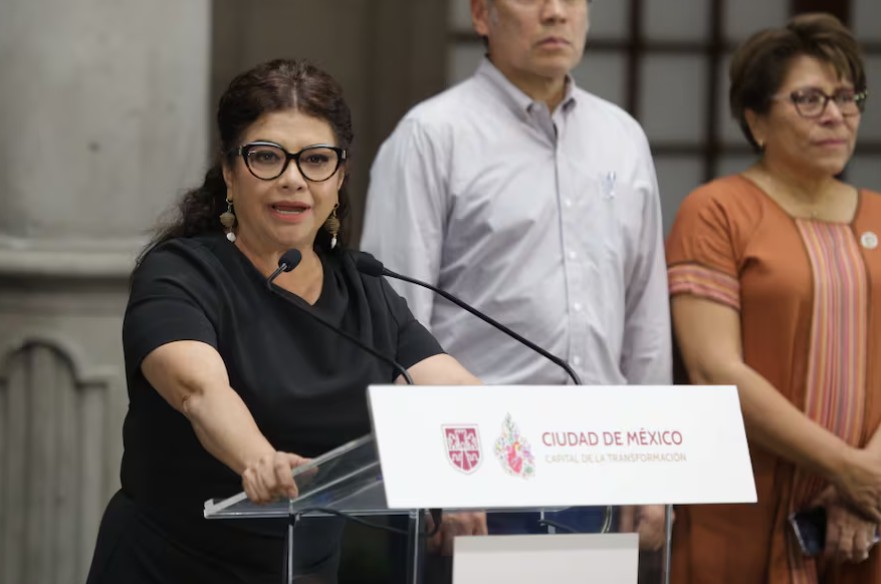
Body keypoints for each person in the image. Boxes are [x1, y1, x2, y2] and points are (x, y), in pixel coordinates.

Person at [85, 58, 484, 584]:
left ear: (339, 176)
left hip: (304, 571)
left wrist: (466, 469)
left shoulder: (362, 287)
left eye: (316, 160)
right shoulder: (181, 273)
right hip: (171, 567)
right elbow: (200, 391)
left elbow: (452, 388)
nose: (293, 179)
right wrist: (258, 459)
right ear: (230, 172)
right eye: (267, 157)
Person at [360, 0, 670, 547]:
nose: (555, 13)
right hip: (477, 469)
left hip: (598, 464)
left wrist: (652, 472)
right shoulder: (431, 135)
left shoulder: (622, 137)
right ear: (483, 15)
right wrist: (440, 477)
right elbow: (393, 322)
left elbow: (646, 319)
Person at [666, 13, 881, 583]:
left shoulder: (880, 215)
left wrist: (865, 481)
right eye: (809, 99)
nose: (835, 114)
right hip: (747, 502)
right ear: (756, 119)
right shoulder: (717, 211)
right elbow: (715, 370)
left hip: (868, 517)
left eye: (846, 97)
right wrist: (847, 467)